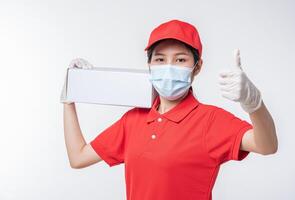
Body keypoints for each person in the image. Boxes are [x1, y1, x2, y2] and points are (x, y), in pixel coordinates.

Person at [60, 19, 278, 200]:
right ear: (150, 66)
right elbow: (78, 157)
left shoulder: (210, 120)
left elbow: (266, 145)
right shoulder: (134, 120)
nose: (169, 67)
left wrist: (254, 103)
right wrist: (71, 96)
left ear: (197, 66)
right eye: (160, 59)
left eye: (180, 59)